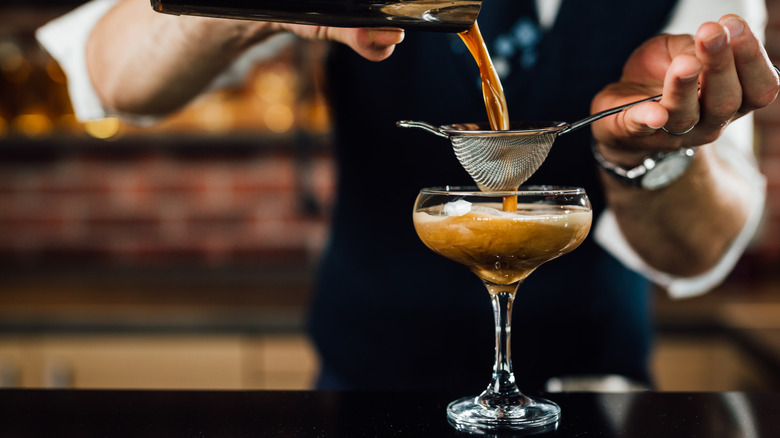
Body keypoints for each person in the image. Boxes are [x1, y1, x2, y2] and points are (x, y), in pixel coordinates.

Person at [37, 0, 777, 392]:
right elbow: (106, 77)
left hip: (589, 390)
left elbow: (701, 248)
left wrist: (646, 156)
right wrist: (242, 4)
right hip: (362, 383)